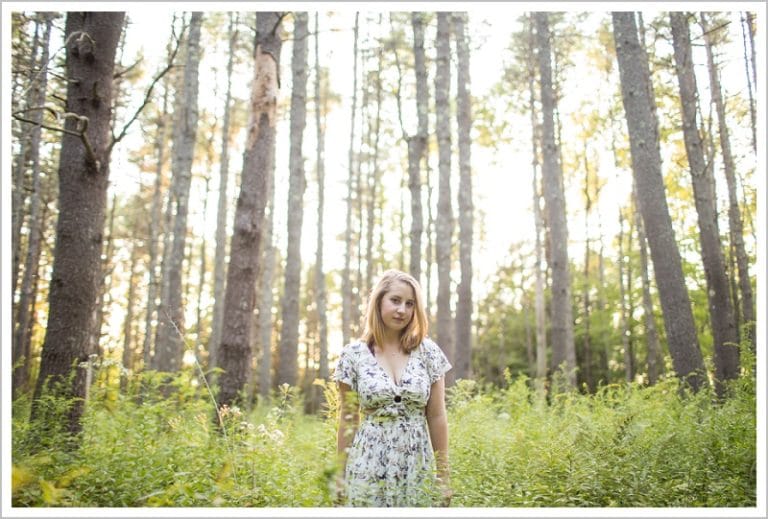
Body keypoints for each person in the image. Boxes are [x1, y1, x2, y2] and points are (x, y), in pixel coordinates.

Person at [333, 269, 453, 507]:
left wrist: (443, 475)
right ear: (378, 302)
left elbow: (437, 416)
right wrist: (339, 475)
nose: (402, 310)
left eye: (410, 304)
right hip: (367, 465)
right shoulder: (352, 356)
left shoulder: (428, 352)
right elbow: (348, 421)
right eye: (395, 300)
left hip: (417, 464)